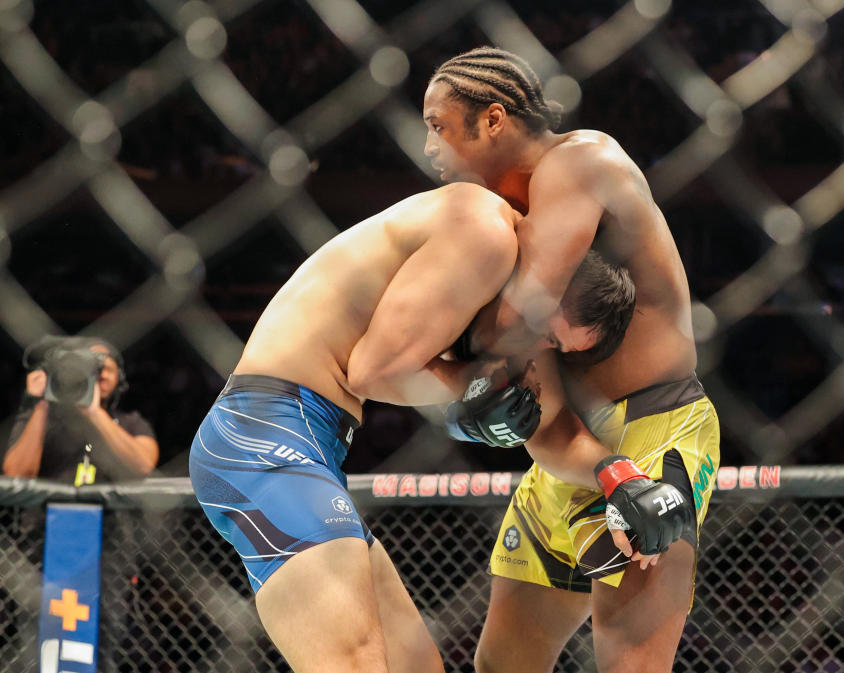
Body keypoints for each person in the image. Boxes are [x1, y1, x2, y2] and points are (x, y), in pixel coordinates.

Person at [187, 182, 636, 673]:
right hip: (264, 432)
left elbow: (549, 433)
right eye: (550, 334)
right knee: (356, 664)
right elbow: (370, 371)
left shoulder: (489, 287)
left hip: (306, 442)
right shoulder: (485, 235)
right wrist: (468, 392)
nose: (541, 348)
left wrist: (621, 477)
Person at [423, 47, 722, 673]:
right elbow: (540, 415)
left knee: (630, 665)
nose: (430, 148)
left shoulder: (582, 160)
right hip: (570, 454)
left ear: (494, 119)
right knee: (503, 665)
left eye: (438, 126)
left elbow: (517, 317)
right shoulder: (501, 221)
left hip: (653, 428)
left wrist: (445, 351)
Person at [3, 335, 158, 485]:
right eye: (92, 371)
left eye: (107, 369)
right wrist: (41, 404)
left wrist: (94, 412)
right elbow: (16, 475)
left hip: (111, 511)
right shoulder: (41, 420)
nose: (100, 376)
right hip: (47, 510)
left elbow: (143, 467)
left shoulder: (131, 422)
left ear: (119, 378)